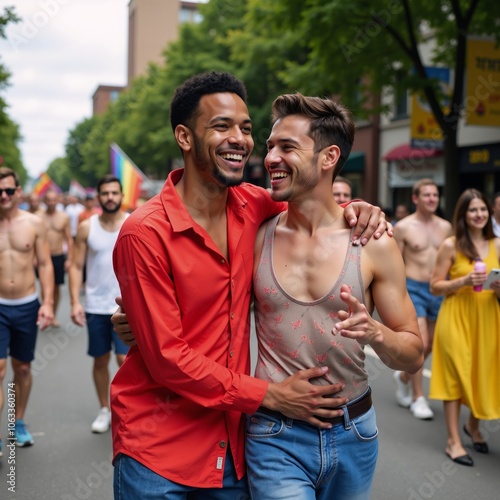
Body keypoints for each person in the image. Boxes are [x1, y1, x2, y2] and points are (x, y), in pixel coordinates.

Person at [110, 71, 391, 499]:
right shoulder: (144, 232)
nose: (240, 138)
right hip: (158, 452)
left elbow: (314, 199)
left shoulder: (255, 204)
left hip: (232, 448)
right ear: (184, 138)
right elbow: (168, 358)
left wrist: (360, 208)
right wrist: (271, 397)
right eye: (221, 126)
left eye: (245, 128)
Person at [244, 93, 423, 499]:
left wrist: (375, 331)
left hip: (355, 433)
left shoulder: (373, 242)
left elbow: (413, 356)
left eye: (287, 147)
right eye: (271, 146)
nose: (270, 157)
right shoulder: (255, 237)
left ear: (328, 158)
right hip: (275, 434)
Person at [429, 188, 500, 467]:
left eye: (483, 209)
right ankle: (453, 441)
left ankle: (473, 425)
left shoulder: (497, 244)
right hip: (456, 315)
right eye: (473, 210)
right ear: (463, 213)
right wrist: (463, 281)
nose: (479, 214)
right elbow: (435, 286)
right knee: (455, 376)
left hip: (487, 317)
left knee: (483, 373)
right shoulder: (451, 244)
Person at [69, 175, 129, 434]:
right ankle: (104, 409)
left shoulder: (133, 223)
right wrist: (74, 302)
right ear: (98, 197)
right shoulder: (86, 227)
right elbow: (76, 266)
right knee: (101, 359)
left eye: (114, 193)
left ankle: (128, 410)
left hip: (126, 306)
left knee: (124, 359)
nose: (110, 198)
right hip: (95, 305)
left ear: (121, 195)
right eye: (105, 194)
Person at [0, 167, 54, 455]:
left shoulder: (33, 223)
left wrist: (47, 303)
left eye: (9, 190)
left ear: (18, 191)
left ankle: (17, 422)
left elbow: (44, 264)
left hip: (25, 303)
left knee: (22, 368)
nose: (4, 196)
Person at [392, 179, 452, 419]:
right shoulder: (404, 227)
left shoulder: (446, 227)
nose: (432, 199)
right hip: (413, 288)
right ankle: (418, 397)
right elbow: (395, 264)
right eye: (426, 195)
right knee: (421, 344)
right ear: (415, 198)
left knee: (432, 345)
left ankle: (404, 376)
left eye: (435, 195)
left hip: (438, 289)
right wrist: (398, 295)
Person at [41, 189, 73, 328]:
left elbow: (69, 239)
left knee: (56, 287)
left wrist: (69, 259)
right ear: (45, 201)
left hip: (58, 255)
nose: (51, 203)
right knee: (44, 285)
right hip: (43, 256)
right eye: (49, 200)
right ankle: (46, 311)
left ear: (57, 200)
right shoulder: (38, 216)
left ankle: (53, 314)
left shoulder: (63, 217)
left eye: (54, 200)